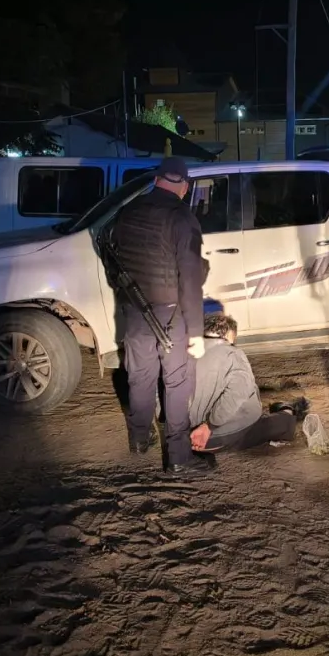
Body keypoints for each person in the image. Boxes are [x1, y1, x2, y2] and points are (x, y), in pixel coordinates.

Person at [108, 156, 212, 475]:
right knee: (177, 381)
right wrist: (196, 332)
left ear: (155, 180)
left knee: (139, 376)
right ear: (184, 186)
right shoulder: (182, 217)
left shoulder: (127, 211)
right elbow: (190, 279)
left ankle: (139, 440)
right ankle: (178, 457)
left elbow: (114, 263)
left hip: (135, 309)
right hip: (170, 314)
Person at [188, 313, 308, 453]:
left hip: (185, 434)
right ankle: (287, 411)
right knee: (281, 424)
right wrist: (209, 426)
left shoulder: (184, 352)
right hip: (209, 437)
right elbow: (235, 394)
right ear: (228, 334)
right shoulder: (233, 355)